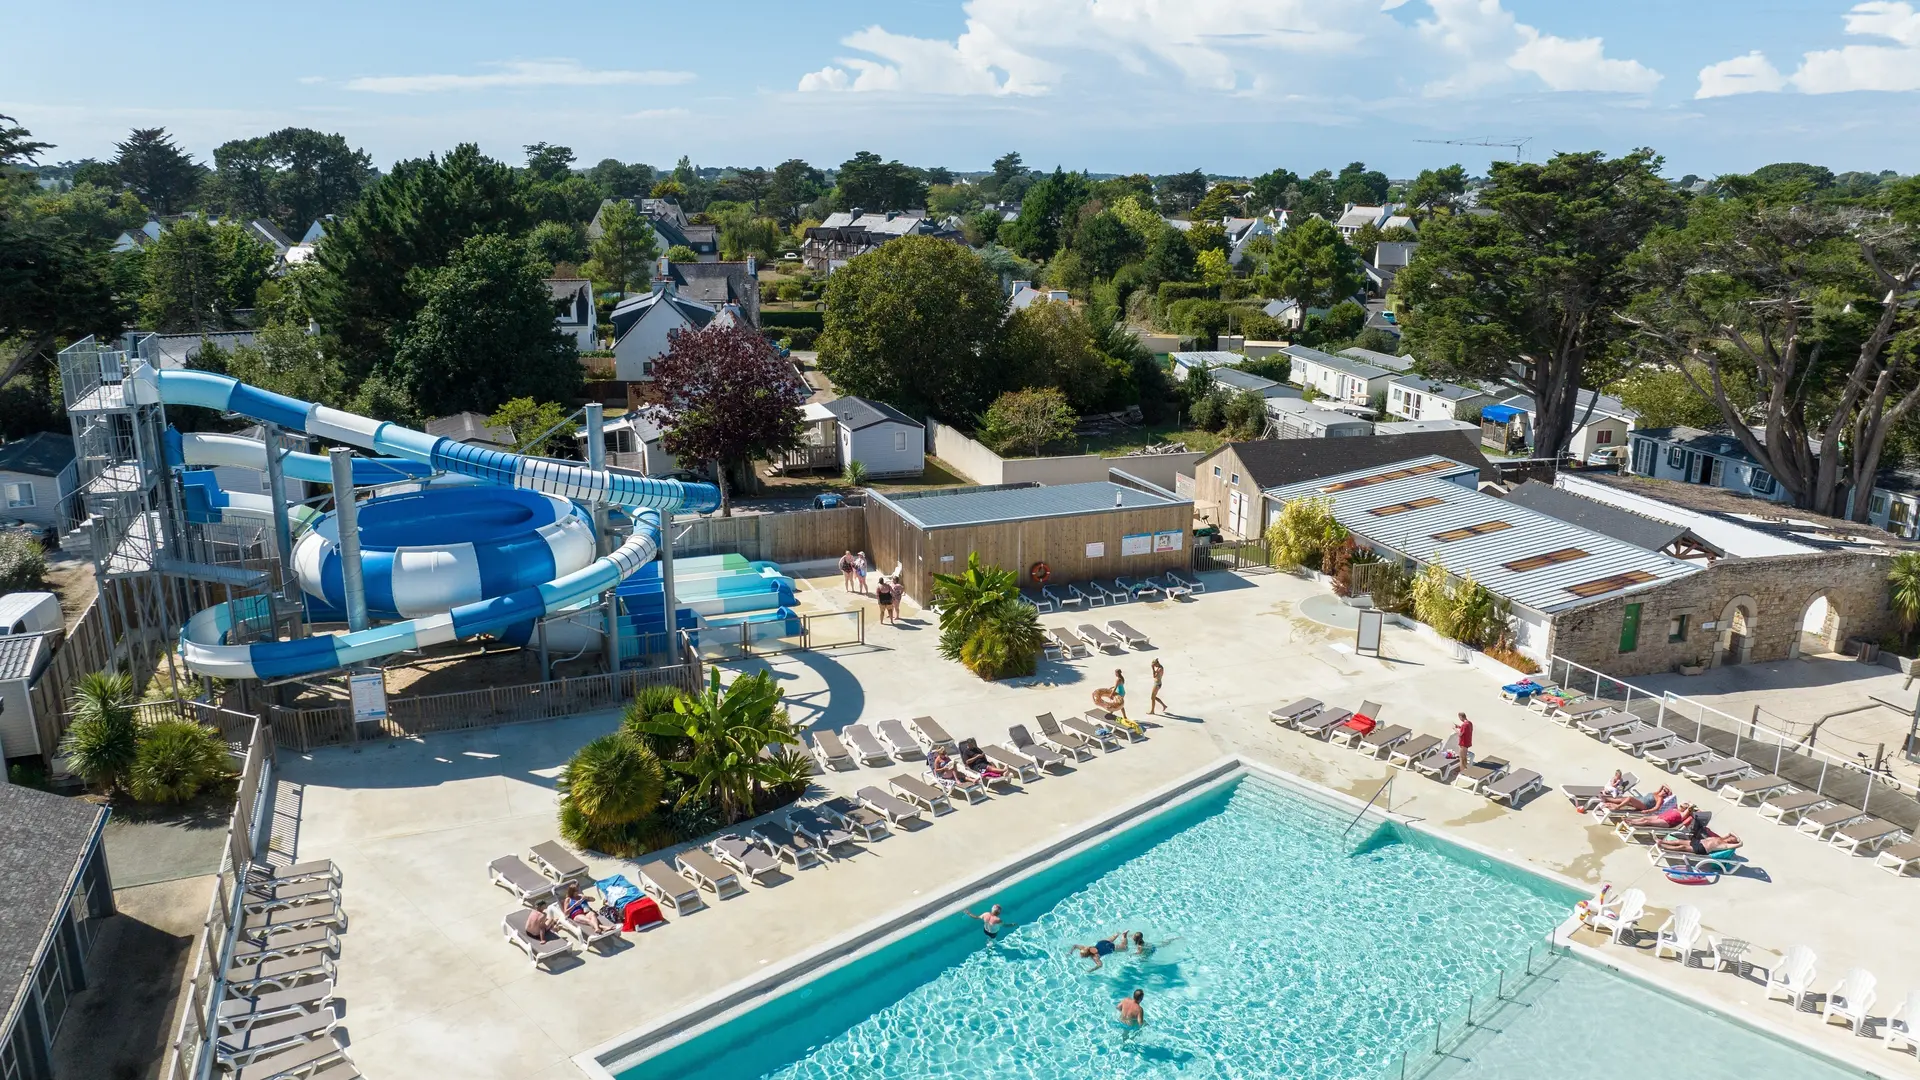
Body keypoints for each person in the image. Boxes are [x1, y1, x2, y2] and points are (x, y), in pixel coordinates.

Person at [1601, 784, 1670, 814]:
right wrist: (1668, 788)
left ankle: (1617, 807)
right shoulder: (1657, 793)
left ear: (1666, 795)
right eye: (1664, 790)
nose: (1664, 791)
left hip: (1644, 805)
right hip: (1640, 800)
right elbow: (1663, 784)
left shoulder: (1660, 799)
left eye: (1666, 792)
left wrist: (1647, 811)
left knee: (1629, 798)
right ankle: (1607, 799)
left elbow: (1656, 808)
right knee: (1624, 799)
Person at [1659, 830, 1741, 856]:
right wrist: (1733, 835)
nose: (1731, 839)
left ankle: (1664, 846)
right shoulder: (1721, 838)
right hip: (1698, 842)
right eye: (1731, 838)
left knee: (1681, 847)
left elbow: (1741, 844)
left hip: (1702, 848)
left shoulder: (1725, 845)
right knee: (1678, 841)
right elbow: (1730, 832)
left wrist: (1738, 839)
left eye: (1733, 840)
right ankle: (1661, 841)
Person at [1623, 802, 1692, 830]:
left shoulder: (1682, 815)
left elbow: (1690, 808)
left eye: (1682, 806)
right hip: (1661, 816)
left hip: (1666, 822)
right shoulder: (1675, 809)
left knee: (1647, 821)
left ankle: (1632, 823)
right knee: (1644, 818)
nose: (1680, 806)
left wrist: (1689, 804)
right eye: (1680, 805)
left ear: (1685, 809)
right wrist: (1686, 803)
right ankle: (1631, 820)